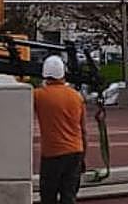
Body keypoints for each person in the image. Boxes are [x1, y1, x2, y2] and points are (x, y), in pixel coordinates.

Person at [33, 56, 87, 204]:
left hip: (52, 153)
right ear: (63, 73)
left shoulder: (38, 95)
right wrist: (83, 156)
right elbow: (83, 130)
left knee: (48, 196)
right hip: (75, 151)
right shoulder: (77, 97)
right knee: (69, 196)